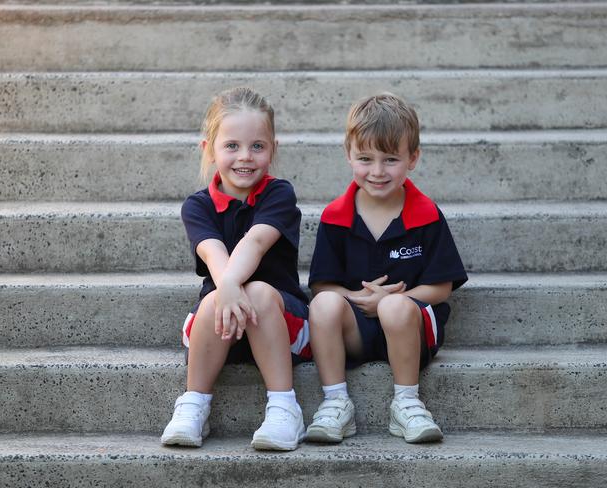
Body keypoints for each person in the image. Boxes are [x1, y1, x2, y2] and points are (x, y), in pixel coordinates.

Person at [306, 93, 467, 444]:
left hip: (413, 329)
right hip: (356, 330)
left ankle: (407, 404)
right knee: (322, 305)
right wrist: (360, 298)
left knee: (394, 307)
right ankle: (335, 404)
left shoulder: (426, 215)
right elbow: (322, 286)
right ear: (348, 155)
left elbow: (441, 287)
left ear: (413, 159)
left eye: (390, 159)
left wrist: (391, 300)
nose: (377, 171)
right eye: (365, 158)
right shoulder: (336, 217)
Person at [161, 87, 311, 451]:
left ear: (272, 148)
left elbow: (256, 243)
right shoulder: (197, 206)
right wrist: (224, 288)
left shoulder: (279, 194)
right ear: (209, 149)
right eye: (232, 146)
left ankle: (283, 408)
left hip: (280, 325)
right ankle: (194, 405)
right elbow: (213, 253)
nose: (245, 157)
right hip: (218, 328)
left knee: (256, 292)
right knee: (214, 300)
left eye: (257, 146)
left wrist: (229, 283)